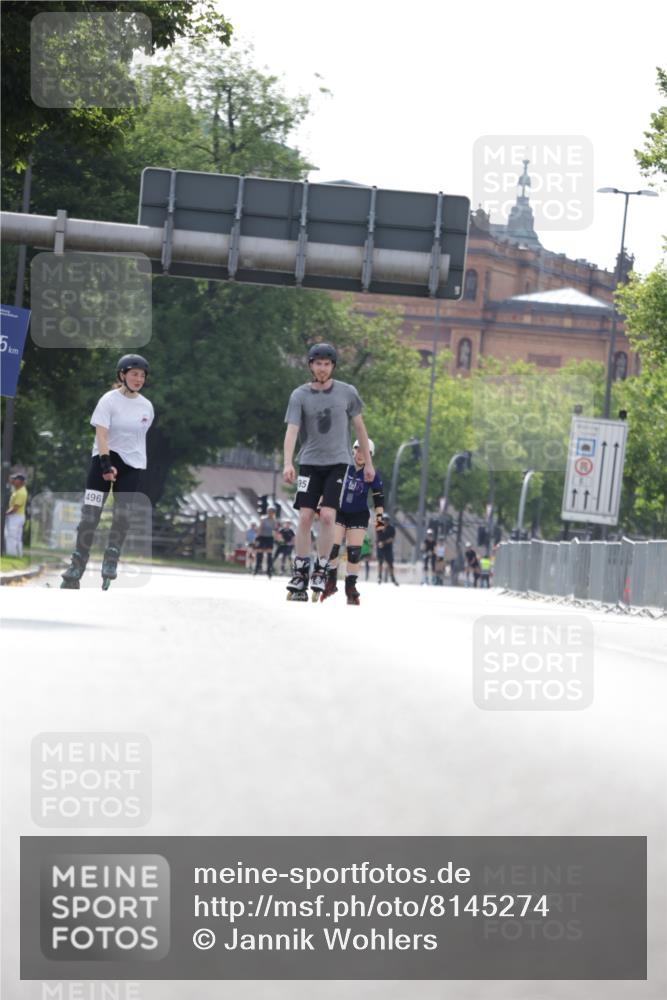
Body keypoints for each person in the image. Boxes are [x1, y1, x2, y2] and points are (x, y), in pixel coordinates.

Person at [283, 342, 374, 600]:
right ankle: (300, 570)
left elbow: (360, 429)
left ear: (332, 366)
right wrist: (288, 462)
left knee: (327, 517)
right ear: (310, 365)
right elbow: (292, 430)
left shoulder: (347, 393)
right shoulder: (299, 395)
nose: (322, 368)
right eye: (318, 363)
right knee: (304, 517)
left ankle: (322, 568)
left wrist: (368, 463)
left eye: (327, 364)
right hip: (310, 462)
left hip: (338, 463)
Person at [61, 354, 154, 589]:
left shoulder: (146, 406)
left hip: (133, 466)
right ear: (122, 375)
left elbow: (136, 439)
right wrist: (105, 464)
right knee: (90, 515)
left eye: (142, 375)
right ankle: (77, 564)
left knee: (123, 515)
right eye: (134, 374)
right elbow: (101, 434)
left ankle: (111, 559)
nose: (138, 379)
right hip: (103, 460)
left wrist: (121, 465)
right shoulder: (108, 400)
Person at [321, 438, 384, 605]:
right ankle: (331, 579)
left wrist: (379, 521)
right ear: (353, 450)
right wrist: (321, 504)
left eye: (366, 452)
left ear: (370, 455)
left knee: (354, 552)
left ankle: (350, 587)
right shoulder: (344, 467)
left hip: (359, 514)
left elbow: (378, 499)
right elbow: (327, 486)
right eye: (358, 450)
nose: (361, 454)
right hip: (340, 511)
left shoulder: (372, 473)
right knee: (333, 548)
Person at [4, 472, 28, 557]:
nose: (13, 480)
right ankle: (18, 555)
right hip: (16, 516)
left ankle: (12, 554)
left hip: (16, 516)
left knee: (11, 536)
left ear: (20, 481)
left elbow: (15, 508)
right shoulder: (17, 490)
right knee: (16, 537)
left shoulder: (21, 492)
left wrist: (4, 514)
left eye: (15, 479)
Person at [254, 506, 279, 577]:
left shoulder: (274, 521)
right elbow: (260, 528)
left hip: (269, 538)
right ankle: (257, 568)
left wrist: (276, 538)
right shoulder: (263, 519)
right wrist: (256, 538)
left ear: (274, 513)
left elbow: (275, 530)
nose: (270, 513)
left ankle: (269, 570)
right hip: (262, 537)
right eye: (269, 512)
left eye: (272, 512)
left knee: (269, 554)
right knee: (259, 553)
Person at [376, 513, 399, 586]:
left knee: (390, 563)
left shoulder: (391, 528)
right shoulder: (379, 527)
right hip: (380, 547)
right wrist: (379, 543)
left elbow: (392, 539)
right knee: (380, 562)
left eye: (386, 520)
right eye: (383, 520)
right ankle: (379, 577)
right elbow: (378, 537)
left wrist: (384, 543)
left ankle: (392, 578)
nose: (385, 522)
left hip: (388, 548)